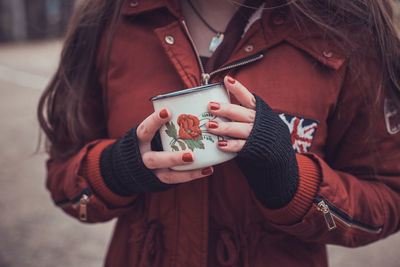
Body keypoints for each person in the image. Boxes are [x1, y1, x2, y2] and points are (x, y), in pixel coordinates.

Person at [38, 0, 400, 266]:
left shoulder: (350, 27)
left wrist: (293, 183)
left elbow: (388, 197)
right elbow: (62, 178)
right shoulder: (109, 17)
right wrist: (118, 169)